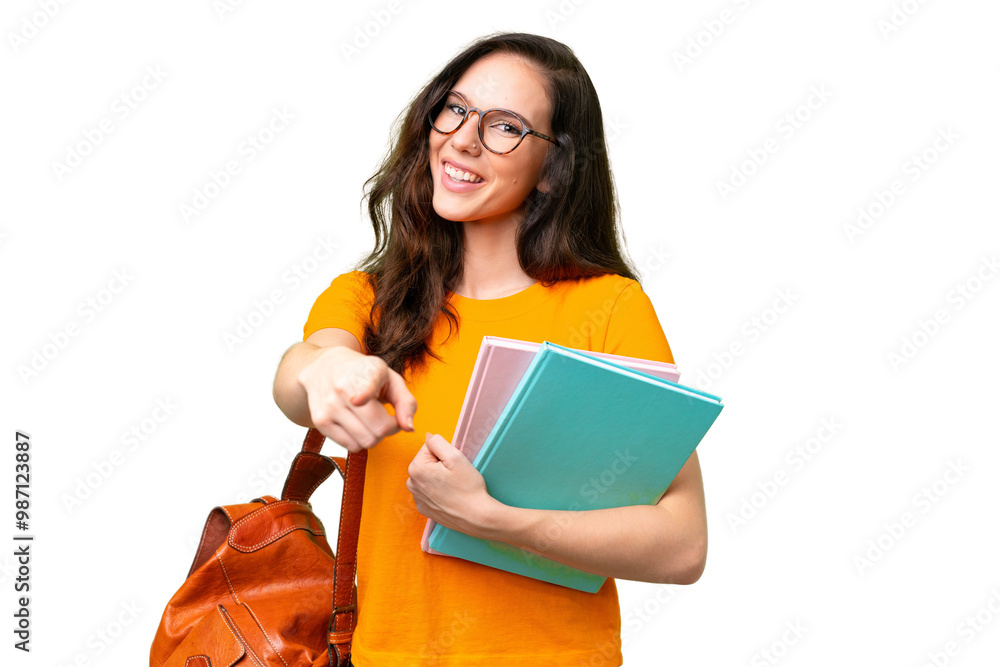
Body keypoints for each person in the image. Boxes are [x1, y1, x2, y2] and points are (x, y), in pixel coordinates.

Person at [272, 31, 707, 667]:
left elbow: (682, 544)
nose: (464, 138)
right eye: (455, 108)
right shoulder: (368, 299)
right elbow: (298, 373)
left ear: (553, 169)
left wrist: (491, 520)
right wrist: (327, 369)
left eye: (505, 126)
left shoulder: (606, 309)